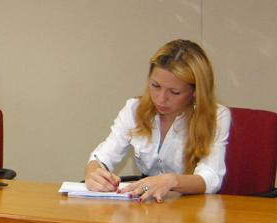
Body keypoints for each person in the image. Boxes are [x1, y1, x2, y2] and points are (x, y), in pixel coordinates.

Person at [85, 39, 230, 201]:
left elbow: (211, 177)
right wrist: (93, 172)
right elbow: (103, 157)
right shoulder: (134, 109)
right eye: (155, 86)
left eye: (174, 92)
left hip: (191, 206)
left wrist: (172, 181)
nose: (161, 99)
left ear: (195, 92)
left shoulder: (216, 117)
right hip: (146, 204)